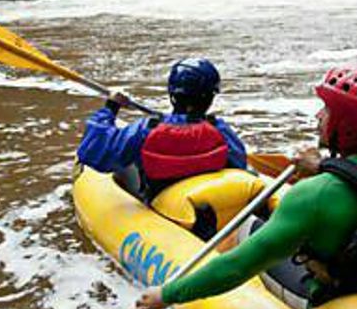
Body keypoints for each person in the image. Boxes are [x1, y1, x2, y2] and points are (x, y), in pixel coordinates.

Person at [133, 65, 357, 309]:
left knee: (247, 227)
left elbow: (237, 266)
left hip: (338, 291)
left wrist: (168, 294)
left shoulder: (312, 195)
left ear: (345, 125)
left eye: (327, 110)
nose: (318, 117)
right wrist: (325, 167)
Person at [77, 58, 247, 202]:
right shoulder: (220, 131)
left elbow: (93, 152)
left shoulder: (146, 129)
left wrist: (111, 107)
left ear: (172, 94)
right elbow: (239, 165)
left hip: (162, 202)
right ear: (210, 97)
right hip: (210, 201)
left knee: (126, 159)